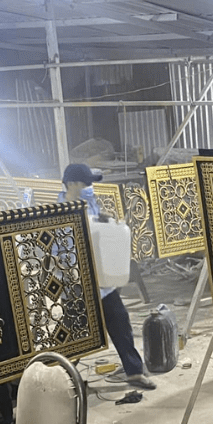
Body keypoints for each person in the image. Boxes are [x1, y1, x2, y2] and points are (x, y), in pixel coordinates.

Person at [59, 163, 157, 391]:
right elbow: (60, 251)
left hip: (102, 281)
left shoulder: (89, 202)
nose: (90, 187)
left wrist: (108, 222)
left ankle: (134, 372)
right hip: (78, 285)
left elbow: (96, 226)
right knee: (76, 337)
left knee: (120, 321)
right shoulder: (61, 212)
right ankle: (60, 379)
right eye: (86, 183)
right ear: (71, 184)